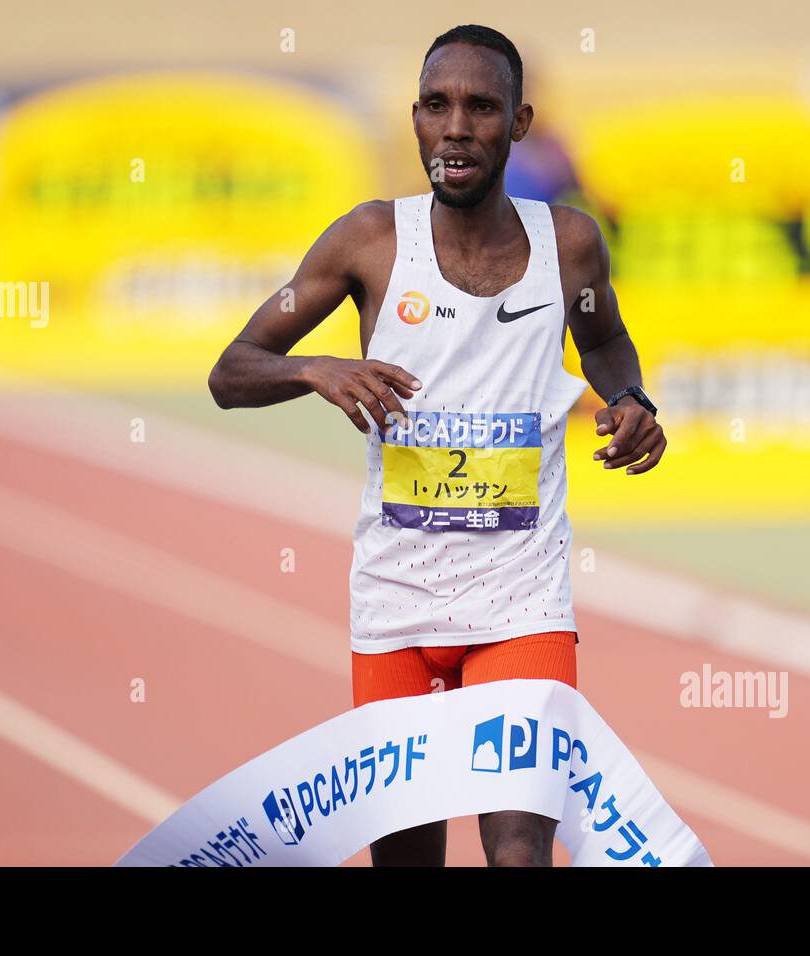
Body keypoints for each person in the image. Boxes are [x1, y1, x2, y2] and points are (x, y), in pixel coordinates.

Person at [208, 24, 666, 866]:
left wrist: (630, 399)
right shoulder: (370, 241)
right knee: (409, 859)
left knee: (522, 847)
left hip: (521, 601)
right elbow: (233, 370)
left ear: (519, 122)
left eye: (481, 107)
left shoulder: (569, 246)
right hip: (396, 606)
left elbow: (604, 342)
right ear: (415, 119)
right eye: (435, 106)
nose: (455, 127)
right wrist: (318, 370)